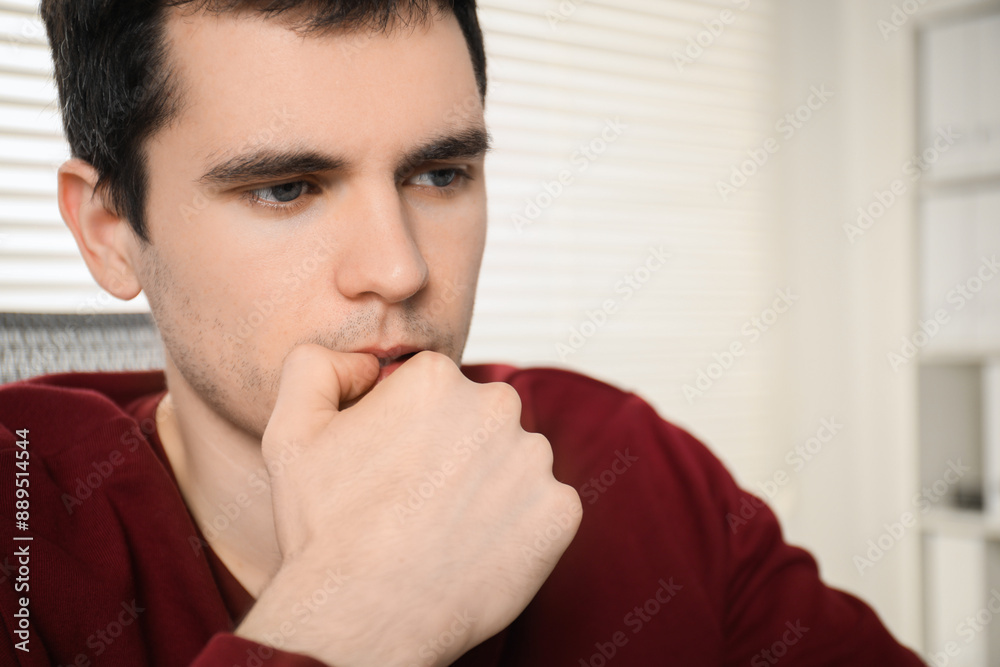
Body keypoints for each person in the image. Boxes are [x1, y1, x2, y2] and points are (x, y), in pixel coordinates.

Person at [0, 1, 924, 665]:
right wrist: (353, 619)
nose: (400, 268)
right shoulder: (23, 515)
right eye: (285, 188)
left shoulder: (628, 460)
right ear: (109, 231)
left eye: (439, 174)